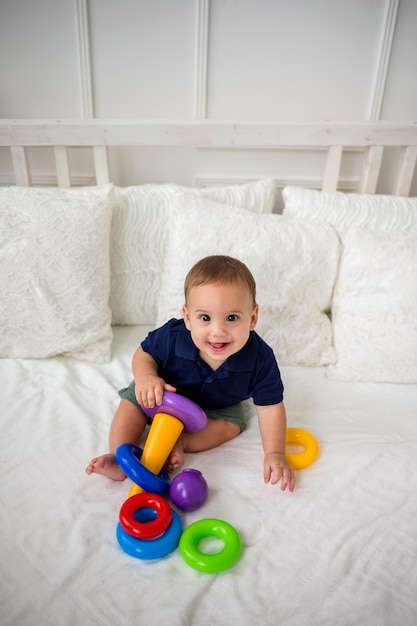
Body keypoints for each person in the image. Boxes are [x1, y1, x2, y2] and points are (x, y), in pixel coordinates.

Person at [86, 255, 295, 491]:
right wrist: (146, 378)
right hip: (163, 392)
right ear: (187, 317)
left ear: (253, 318)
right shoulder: (173, 337)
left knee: (232, 424)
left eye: (232, 318)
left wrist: (275, 452)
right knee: (133, 400)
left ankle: (181, 441)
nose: (218, 331)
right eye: (205, 318)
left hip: (217, 406)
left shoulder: (260, 359)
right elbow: (144, 354)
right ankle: (119, 456)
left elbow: (271, 407)